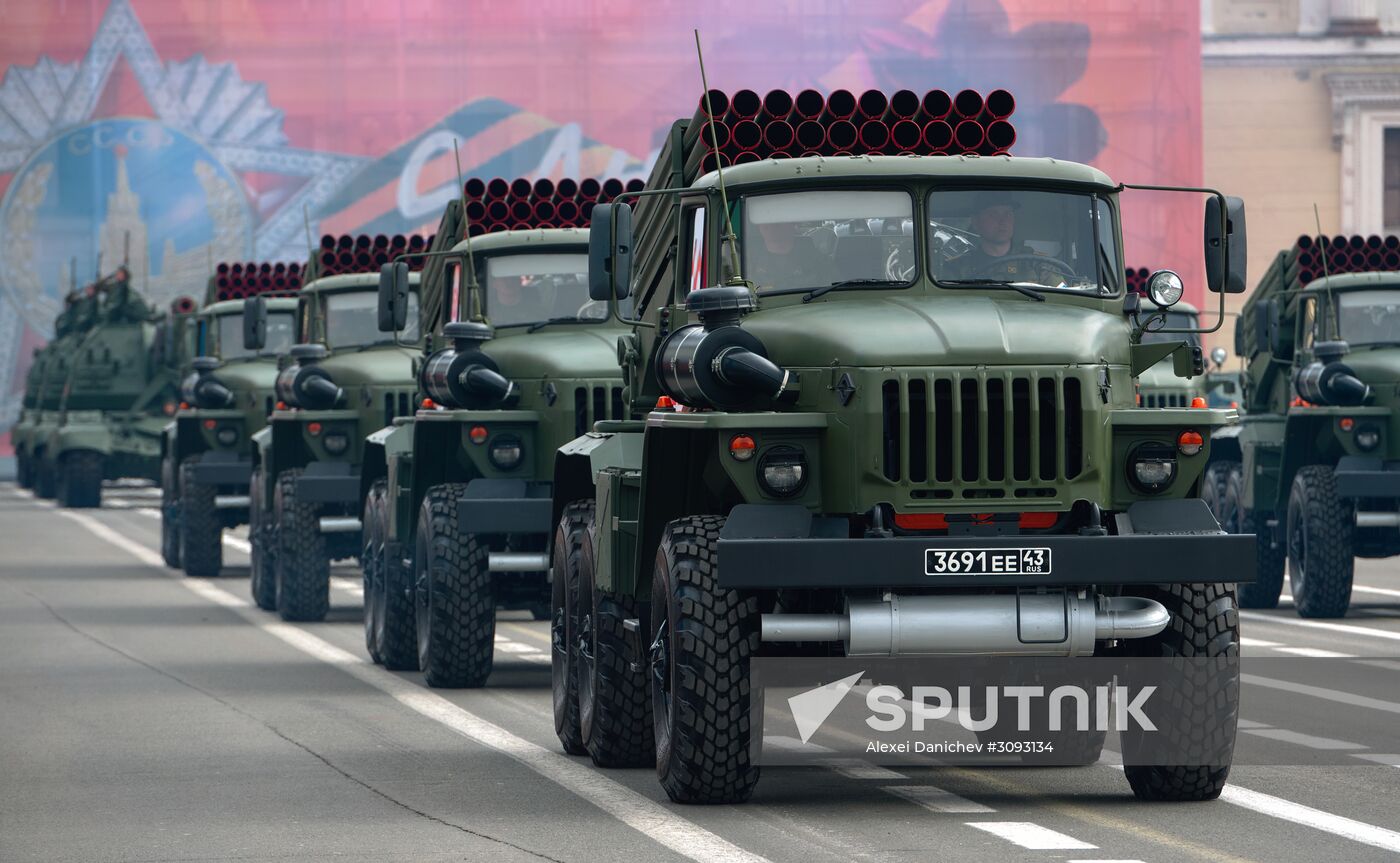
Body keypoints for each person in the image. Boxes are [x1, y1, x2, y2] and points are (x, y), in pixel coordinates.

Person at [945, 192, 1061, 284]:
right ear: (976, 222)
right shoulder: (959, 267)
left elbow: (1062, 301)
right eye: (993, 214)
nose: (1002, 221)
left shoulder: (1037, 264)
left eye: (1008, 214)